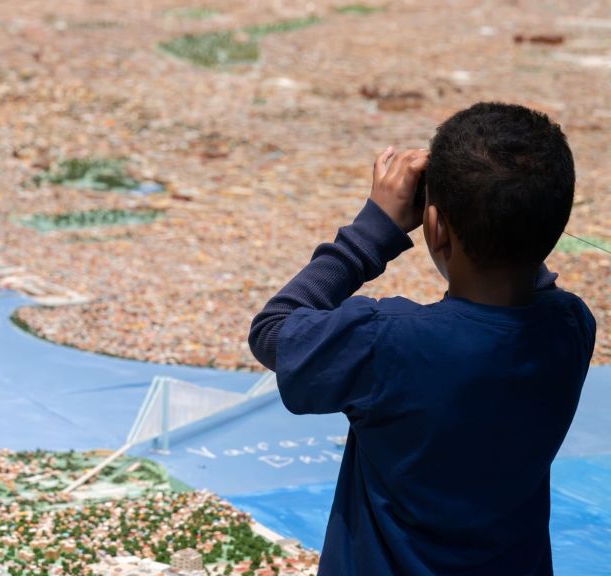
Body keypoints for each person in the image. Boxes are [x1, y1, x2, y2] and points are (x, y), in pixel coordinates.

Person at [248, 102, 596, 575]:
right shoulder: (571, 326)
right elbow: (534, 285)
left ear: (433, 226)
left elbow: (272, 330)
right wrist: (516, 195)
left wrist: (374, 229)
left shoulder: (385, 343)